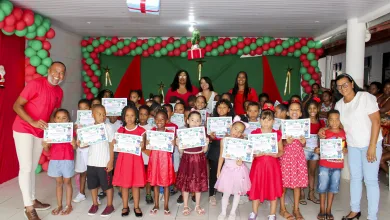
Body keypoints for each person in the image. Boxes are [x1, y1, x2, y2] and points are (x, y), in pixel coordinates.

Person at [319, 73, 382, 220]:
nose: (342, 88)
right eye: (339, 86)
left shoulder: (365, 97)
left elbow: (376, 121)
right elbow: (338, 125)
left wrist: (372, 146)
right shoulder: (340, 104)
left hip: (370, 143)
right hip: (353, 145)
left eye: (345, 84)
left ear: (352, 84)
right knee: (355, 178)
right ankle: (355, 210)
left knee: (370, 180)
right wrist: (323, 130)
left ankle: (372, 216)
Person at [12, 62, 66, 220]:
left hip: (39, 131)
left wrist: (49, 134)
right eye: (56, 71)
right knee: (26, 167)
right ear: (49, 70)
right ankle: (28, 208)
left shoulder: (59, 91)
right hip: (23, 128)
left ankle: (33, 199)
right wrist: (32, 122)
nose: (58, 75)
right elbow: (17, 106)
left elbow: (52, 114)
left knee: (33, 166)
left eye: (62, 73)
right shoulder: (35, 84)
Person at [248, 106, 284, 220]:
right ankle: (254, 212)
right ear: (260, 120)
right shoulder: (254, 133)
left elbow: (281, 150)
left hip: (272, 166)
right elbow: (250, 151)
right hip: (258, 166)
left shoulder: (277, 134)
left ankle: (272, 214)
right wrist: (254, 154)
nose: (266, 122)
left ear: (273, 121)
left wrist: (276, 154)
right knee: (256, 188)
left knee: (273, 188)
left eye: (269, 120)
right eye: (264, 119)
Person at [80, 104, 115, 217]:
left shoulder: (108, 127)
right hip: (91, 162)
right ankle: (95, 203)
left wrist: (111, 161)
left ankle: (110, 205)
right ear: (92, 115)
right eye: (99, 114)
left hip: (104, 162)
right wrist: (80, 143)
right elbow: (84, 144)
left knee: (107, 186)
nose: (102, 116)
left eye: (104, 114)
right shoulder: (89, 129)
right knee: (92, 185)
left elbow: (111, 145)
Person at [113, 105, 146, 217]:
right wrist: (114, 142)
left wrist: (143, 144)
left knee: (135, 185)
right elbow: (116, 145)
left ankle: (136, 206)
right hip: (124, 161)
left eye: (132, 115)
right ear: (123, 117)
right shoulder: (120, 130)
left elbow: (145, 145)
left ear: (136, 116)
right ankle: (125, 206)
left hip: (136, 161)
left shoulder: (141, 131)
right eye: (127, 115)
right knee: (124, 185)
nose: (130, 118)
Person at [215, 116, 251, 220]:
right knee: (226, 193)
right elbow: (221, 156)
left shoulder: (242, 142)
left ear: (242, 133)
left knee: (237, 193)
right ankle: (223, 212)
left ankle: (233, 212)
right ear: (231, 127)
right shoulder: (224, 140)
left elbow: (244, 157)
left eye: (240, 131)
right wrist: (218, 170)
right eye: (235, 129)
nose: (236, 132)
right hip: (227, 169)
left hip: (239, 170)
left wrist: (241, 161)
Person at [314, 109, 347, 220]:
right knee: (322, 187)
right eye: (331, 120)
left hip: (337, 166)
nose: (334, 122)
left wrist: (345, 150)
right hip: (324, 164)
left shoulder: (343, 133)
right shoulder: (324, 132)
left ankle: (329, 209)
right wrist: (317, 150)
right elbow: (318, 147)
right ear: (327, 121)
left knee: (333, 188)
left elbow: (345, 147)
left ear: (340, 120)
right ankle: (322, 209)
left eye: (336, 119)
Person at [176, 110, 209, 216]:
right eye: (192, 120)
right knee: (186, 183)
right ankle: (186, 205)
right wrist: (178, 145)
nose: (195, 122)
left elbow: (204, 151)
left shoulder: (201, 134)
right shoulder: (184, 134)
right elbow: (181, 152)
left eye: (198, 120)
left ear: (201, 122)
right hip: (187, 160)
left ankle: (197, 205)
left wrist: (207, 143)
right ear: (187, 121)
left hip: (199, 160)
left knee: (198, 183)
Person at [279, 101, 308, 220]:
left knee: (297, 185)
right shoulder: (283, 125)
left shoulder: (304, 125)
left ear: (301, 113)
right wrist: (286, 142)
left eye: (297, 109)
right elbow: (280, 143)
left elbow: (304, 144)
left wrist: (303, 142)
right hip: (286, 157)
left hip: (298, 158)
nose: (294, 111)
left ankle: (296, 209)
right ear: (287, 112)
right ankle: (282, 209)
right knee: (283, 184)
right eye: (291, 109)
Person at [43, 109, 75, 216]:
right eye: (58, 118)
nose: (60, 120)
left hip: (67, 160)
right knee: (59, 183)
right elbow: (47, 150)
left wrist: (74, 143)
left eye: (64, 118)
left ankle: (69, 205)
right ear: (54, 120)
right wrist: (45, 145)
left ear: (68, 120)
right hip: (55, 160)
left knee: (67, 182)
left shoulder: (71, 132)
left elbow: (75, 147)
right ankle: (59, 205)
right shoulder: (51, 132)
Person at [147, 109, 176, 216]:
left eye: (162, 119)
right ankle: (156, 204)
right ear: (154, 120)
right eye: (157, 119)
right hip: (154, 160)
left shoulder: (170, 133)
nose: (159, 121)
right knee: (155, 183)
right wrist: (148, 142)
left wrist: (173, 143)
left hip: (165, 161)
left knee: (166, 184)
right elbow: (148, 146)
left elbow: (171, 150)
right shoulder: (152, 132)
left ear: (166, 120)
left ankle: (166, 206)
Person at [208, 99, 235, 206]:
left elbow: (237, 135)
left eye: (224, 107)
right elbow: (209, 137)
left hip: (228, 149)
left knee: (227, 173)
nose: (221, 109)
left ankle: (225, 194)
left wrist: (231, 134)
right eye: (219, 107)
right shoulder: (212, 121)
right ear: (216, 109)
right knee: (214, 171)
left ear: (229, 109)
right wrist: (211, 136)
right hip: (215, 148)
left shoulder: (232, 122)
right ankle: (212, 195)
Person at [301, 98, 325, 206]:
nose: (312, 110)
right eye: (310, 108)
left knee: (312, 172)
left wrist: (320, 148)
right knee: (302, 172)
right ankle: (301, 194)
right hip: (303, 150)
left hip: (315, 150)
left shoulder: (321, 122)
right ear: (307, 109)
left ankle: (311, 194)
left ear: (318, 109)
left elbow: (324, 137)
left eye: (314, 108)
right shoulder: (303, 122)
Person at [73, 99, 91, 203]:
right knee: (82, 172)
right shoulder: (77, 121)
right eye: (81, 108)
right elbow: (75, 134)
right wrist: (74, 128)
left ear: (90, 109)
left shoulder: (93, 120)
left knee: (92, 173)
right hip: (81, 150)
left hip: (91, 150)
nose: (83, 110)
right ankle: (81, 193)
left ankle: (95, 194)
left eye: (85, 108)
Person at [138, 105, 154, 204]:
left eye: (145, 114)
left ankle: (148, 193)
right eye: (141, 114)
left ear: (148, 116)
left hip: (147, 157)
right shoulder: (134, 126)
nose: (142, 117)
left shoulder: (152, 128)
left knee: (148, 177)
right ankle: (133, 193)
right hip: (137, 157)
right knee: (136, 175)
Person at [378, 80, 390, 174]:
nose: (387, 89)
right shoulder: (381, 96)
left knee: (381, 158)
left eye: (389, 87)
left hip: (387, 130)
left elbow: (383, 110)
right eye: (386, 87)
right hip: (381, 129)